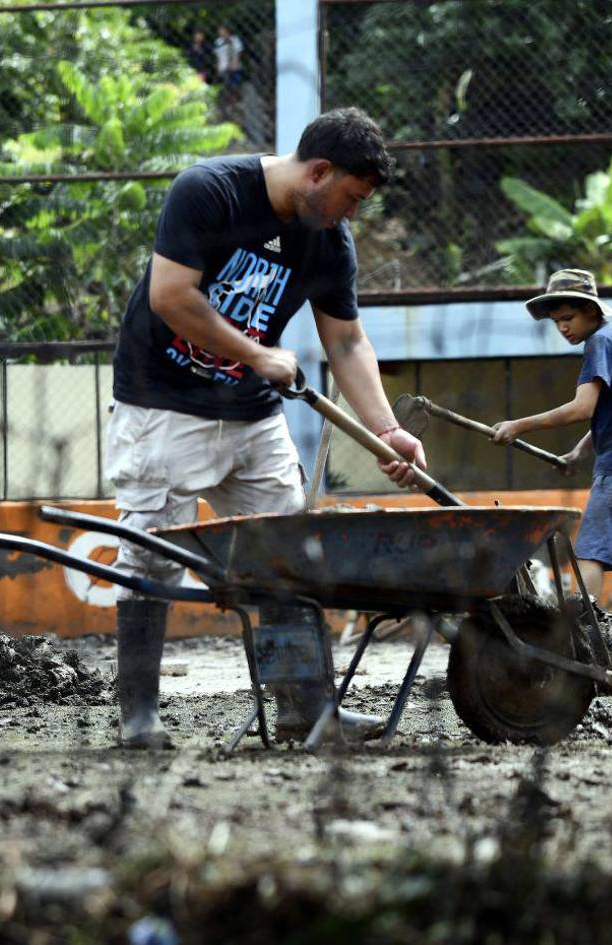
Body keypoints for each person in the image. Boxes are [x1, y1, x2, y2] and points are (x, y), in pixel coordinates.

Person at [107, 106, 425, 748]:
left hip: (251, 416)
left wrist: (386, 430)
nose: (351, 214)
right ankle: (138, 716)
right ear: (319, 171)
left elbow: (347, 341)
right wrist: (257, 354)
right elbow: (171, 296)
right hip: (162, 404)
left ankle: (306, 710)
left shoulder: (328, 240)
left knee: (287, 554)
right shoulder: (210, 191)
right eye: (351, 198)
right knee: (150, 554)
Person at [492, 268, 612, 621]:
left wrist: (518, 425)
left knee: (590, 554)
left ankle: (578, 636)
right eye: (556, 322)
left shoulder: (600, 342)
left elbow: (582, 408)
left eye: (568, 318)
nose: (562, 327)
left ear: (591, 310)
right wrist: (578, 453)